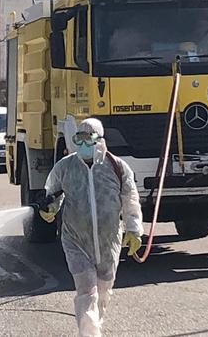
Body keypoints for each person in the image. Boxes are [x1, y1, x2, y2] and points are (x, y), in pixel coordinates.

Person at [37, 118, 144, 337]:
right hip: (75, 239)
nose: (83, 144)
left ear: (100, 140)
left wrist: (133, 228)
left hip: (109, 240)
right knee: (86, 292)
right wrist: (48, 209)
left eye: (89, 139)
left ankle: (93, 328)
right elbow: (52, 193)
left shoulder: (117, 167)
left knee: (103, 292)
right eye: (79, 139)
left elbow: (130, 198)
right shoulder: (65, 166)